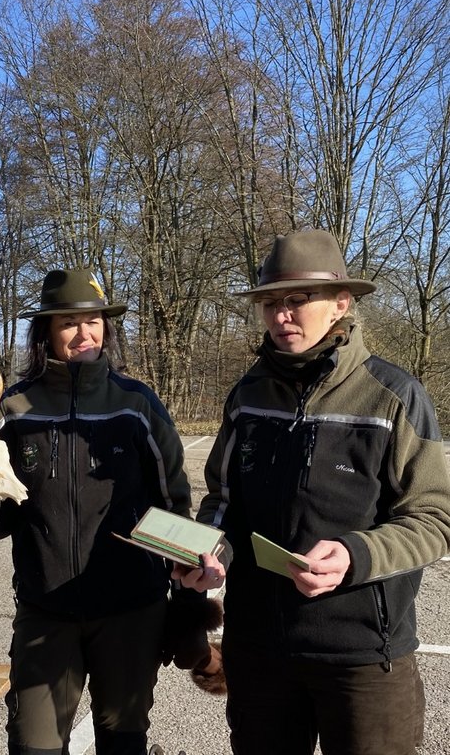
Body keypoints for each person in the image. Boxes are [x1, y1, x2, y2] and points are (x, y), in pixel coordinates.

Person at [172, 229, 450, 755]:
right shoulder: (247, 395)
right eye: (271, 302)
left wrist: (355, 554)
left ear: (341, 303)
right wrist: (210, 550)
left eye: (297, 300)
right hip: (258, 651)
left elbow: (434, 519)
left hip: (363, 655)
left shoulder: (395, 396)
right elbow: (223, 501)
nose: (281, 315)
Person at [0, 268, 221, 755]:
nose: (84, 333)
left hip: (131, 612)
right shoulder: (15, 408)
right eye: (69, 323)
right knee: (33, 744)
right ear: (47, 331)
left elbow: (174, 502)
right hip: (45, 611)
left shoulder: (137, 405)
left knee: (124, 740)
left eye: (93, 320)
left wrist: (189, 596)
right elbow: (2, 521)